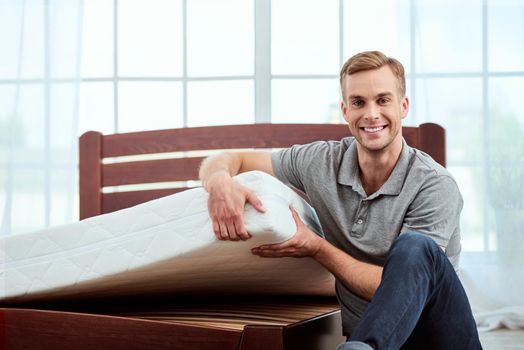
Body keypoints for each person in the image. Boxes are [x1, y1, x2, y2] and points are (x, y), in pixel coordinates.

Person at [198, 51, 482, 350]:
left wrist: (317, 247)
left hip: (437, 339)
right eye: (359, 102)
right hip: (362, 340)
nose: (371, 113)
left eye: (383, 100)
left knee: (415, 247)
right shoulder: (321, 161)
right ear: (345, 110)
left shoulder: (434, 184)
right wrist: (219, 181)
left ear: (403, 106)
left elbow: (397, 289)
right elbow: (235, 158)